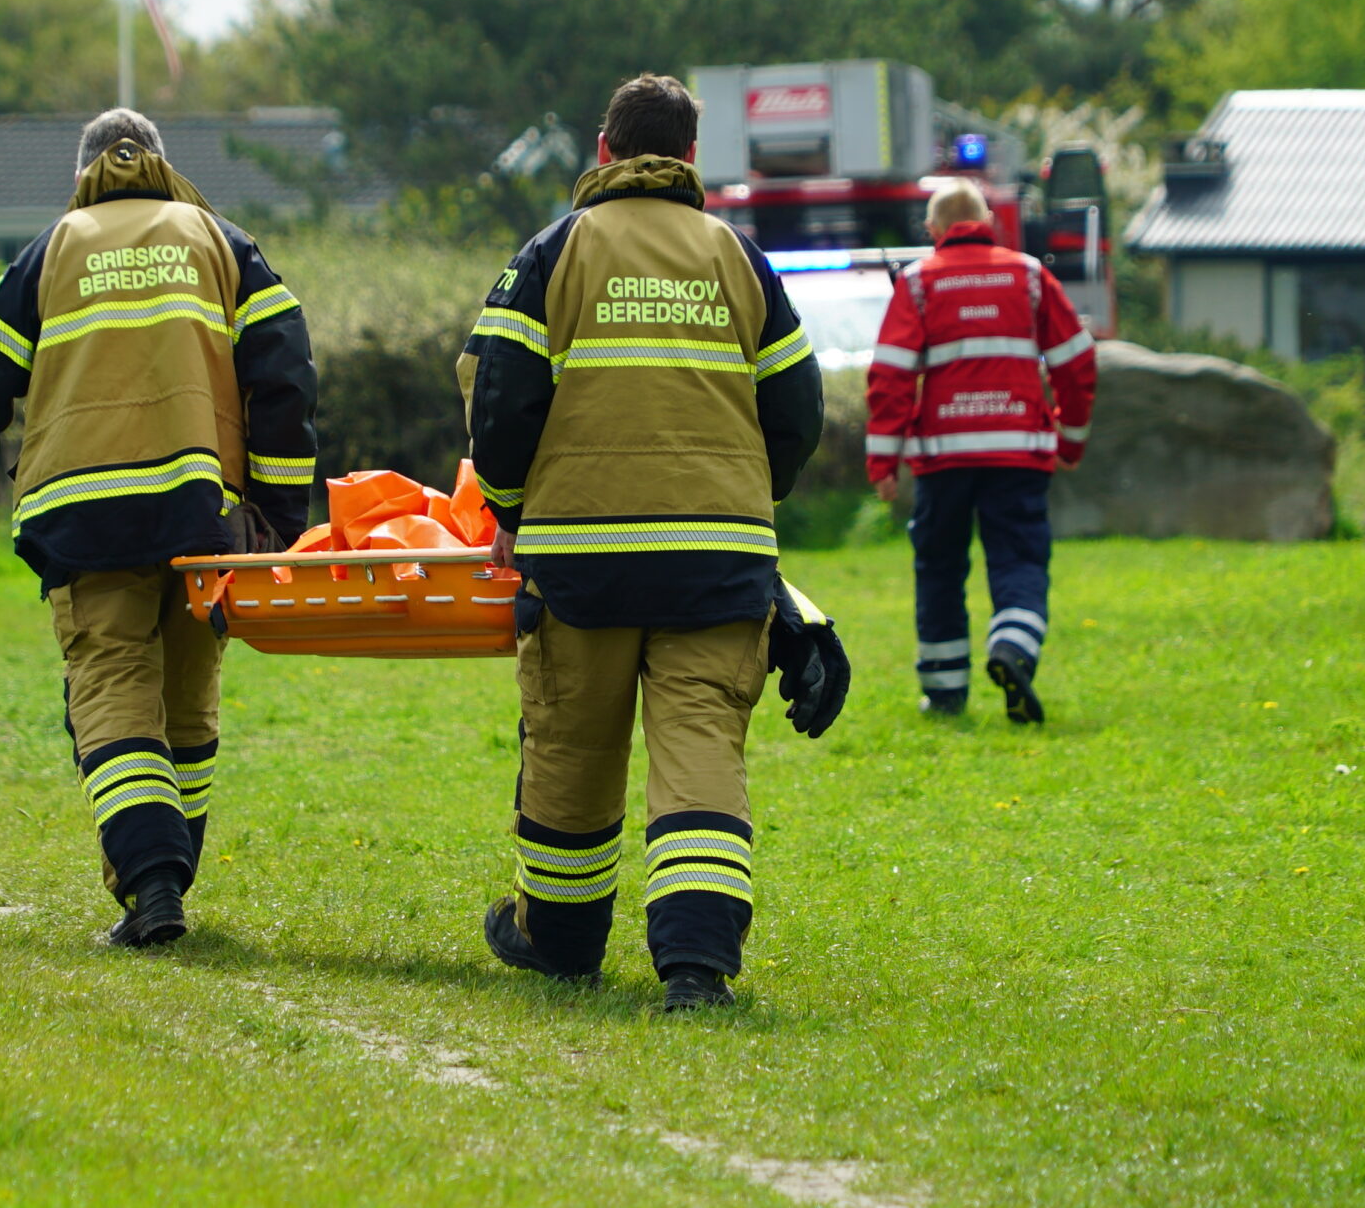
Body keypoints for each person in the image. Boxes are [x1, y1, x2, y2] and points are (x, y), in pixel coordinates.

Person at [459, 74, 827, 1012]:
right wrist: (746, 494)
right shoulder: (738, 258)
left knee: (573, 747)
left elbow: (500, 399)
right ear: (691, 157)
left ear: (603, 149)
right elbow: (797, 406)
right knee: (700, 746)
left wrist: (508, 509)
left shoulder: (553, 252)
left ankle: (563, 941)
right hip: (718, 559)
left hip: (582, 557)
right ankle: (697, 969)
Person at [0, 108, 318, 948]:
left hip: (83, 514)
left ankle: (151, 884)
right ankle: (169, 875)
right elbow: (285, 370)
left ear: (81, 176)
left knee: (111, 689)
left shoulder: (52, 250)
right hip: (203, 510)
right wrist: (279, 518)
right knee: (186, 696)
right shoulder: (221, 241)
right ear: (162, 168)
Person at [863, 177, 1095, 724]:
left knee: (940, 567)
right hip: (1017, 454)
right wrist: (1071, 438)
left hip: (944, 459)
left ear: (932, 230)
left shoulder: (918, 283)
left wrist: (883, 460)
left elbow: (891, 376)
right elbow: (1077, 363)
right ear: (989, 223)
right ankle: (1012, 649)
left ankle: (945, 691)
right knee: (1018, 559)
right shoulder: (1031, 275)